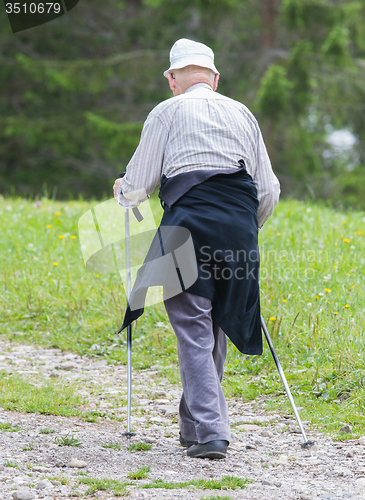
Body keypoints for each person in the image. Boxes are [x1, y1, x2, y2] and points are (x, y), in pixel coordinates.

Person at [113, 38, 280, 459]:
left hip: (186, 227)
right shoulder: (242, 112)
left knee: (192, 326)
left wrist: (122, 190)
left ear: (172, 79)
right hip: (238, 230)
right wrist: (245, 226)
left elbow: (138, 187)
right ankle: (196, 425)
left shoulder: (166, 111)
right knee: (215, 324)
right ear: (215, 78)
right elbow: (270, 191)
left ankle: (210, 432)